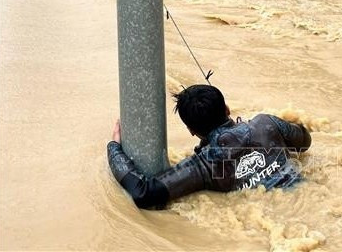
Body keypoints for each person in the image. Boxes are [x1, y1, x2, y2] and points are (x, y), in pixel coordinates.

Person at [107, 84, 312, 210]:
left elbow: (143, 194)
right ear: (227, 109)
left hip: (269, 211)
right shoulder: (266, 123)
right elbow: (304, 143)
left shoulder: (203, 165)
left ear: (190, 130)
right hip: (307, 194)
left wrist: (114, 148)